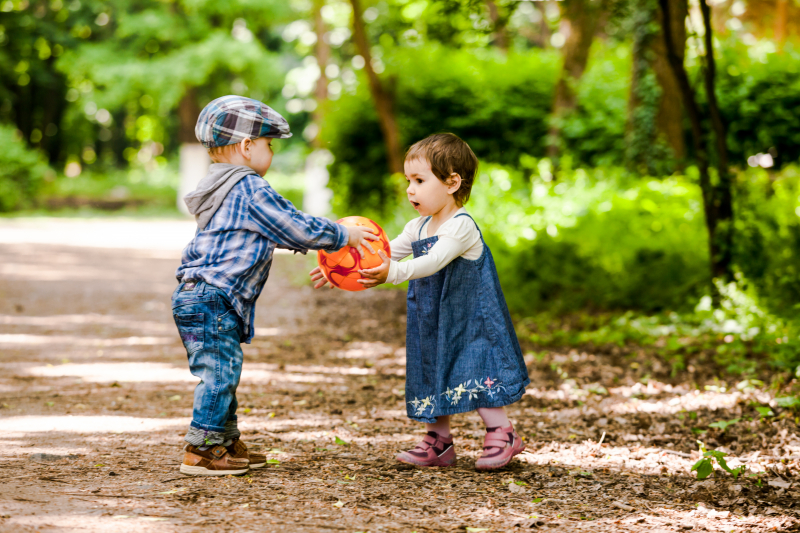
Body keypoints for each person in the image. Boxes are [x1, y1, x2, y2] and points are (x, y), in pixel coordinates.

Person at [173, 95, 378, 476]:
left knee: (223, 370)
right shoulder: (249, 187)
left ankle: (224, 440)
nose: (271, 153)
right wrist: (342, 236)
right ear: (247, 146)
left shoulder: (219, 186)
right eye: (269, 145)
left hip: (200, 295)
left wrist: (323, 256)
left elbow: (270, 232)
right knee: (220, 374)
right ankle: (201, 449)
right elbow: (292, 224)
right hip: (213, 297)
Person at [309, 133, 530, 470]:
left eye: (419, 180)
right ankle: (438, 442)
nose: (410, 190)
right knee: (430, 369)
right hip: (432, 318)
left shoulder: (461, 226)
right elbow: (383, 255)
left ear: (452, 183)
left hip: (470, 320)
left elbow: (432, 262)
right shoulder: (418, 226)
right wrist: (340, 270)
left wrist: (393, 273)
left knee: (477, 367)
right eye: (408, 181)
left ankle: (502, 432)